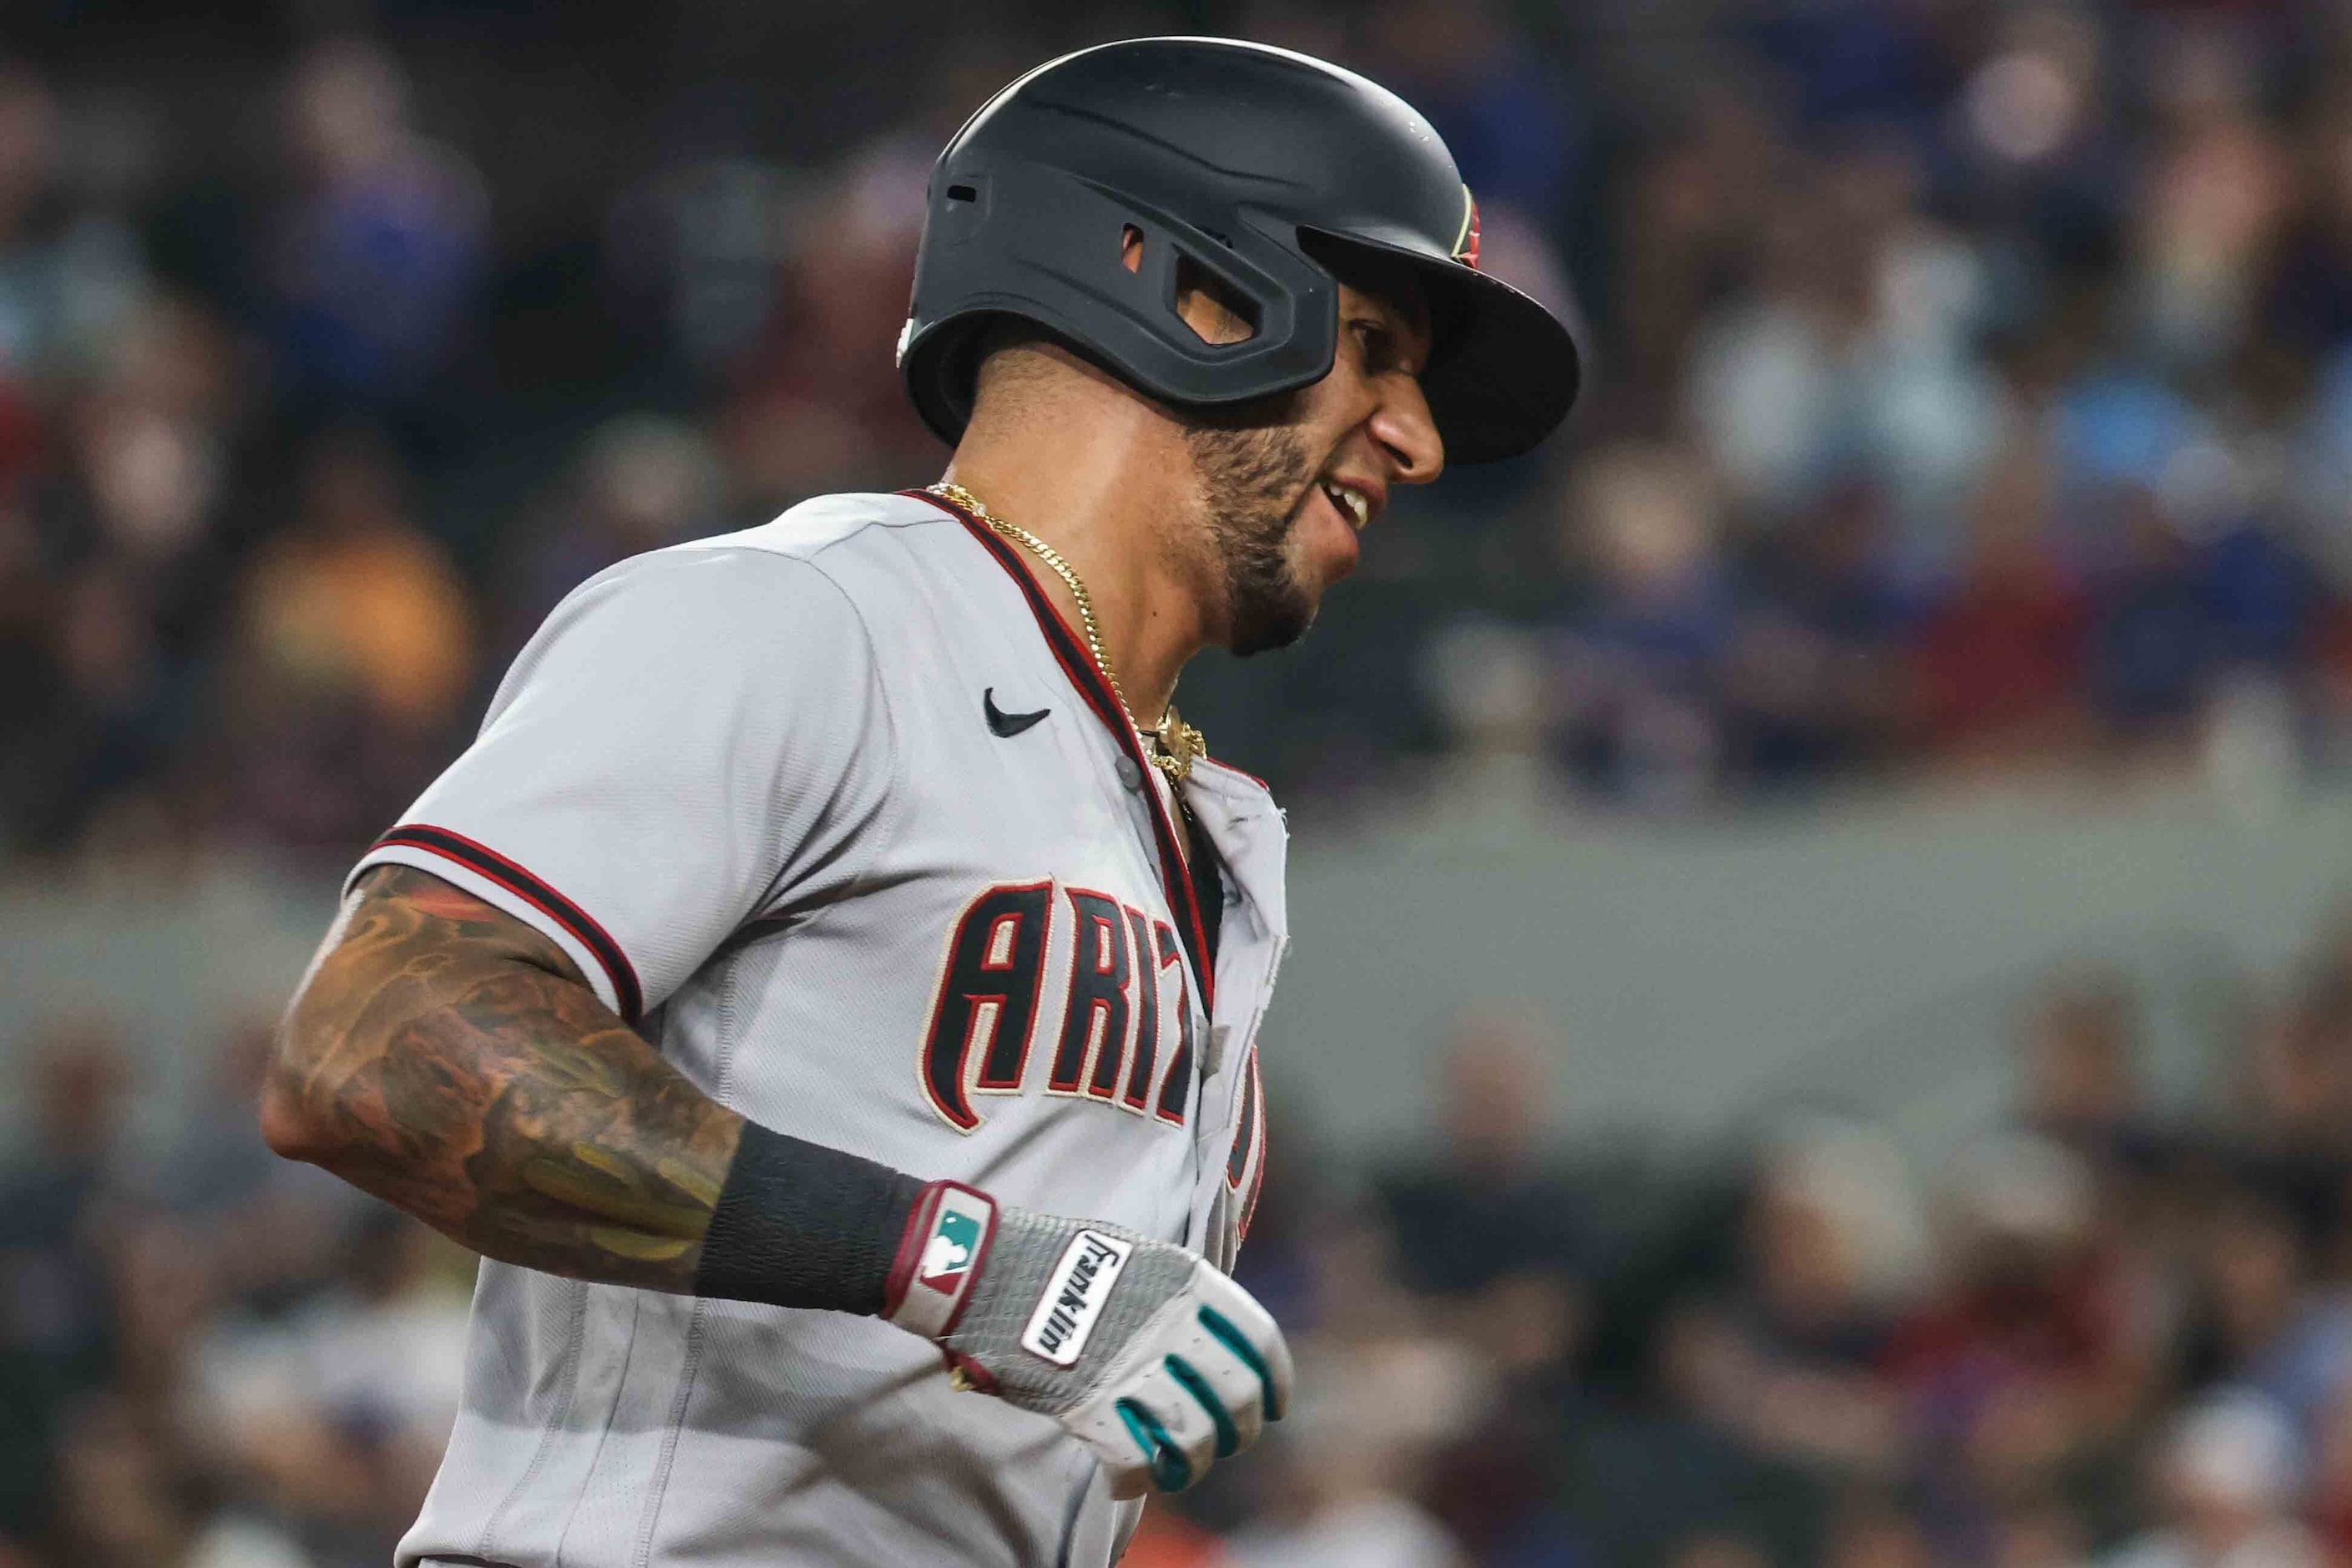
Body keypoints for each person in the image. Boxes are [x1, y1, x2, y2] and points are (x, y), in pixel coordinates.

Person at [260, 35, 1576, 1568]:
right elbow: (370, 1047)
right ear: (1187, 285)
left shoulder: (1199, 837)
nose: (1414, 438)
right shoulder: (806, 617)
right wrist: (960, 1261)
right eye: (1374, 347)